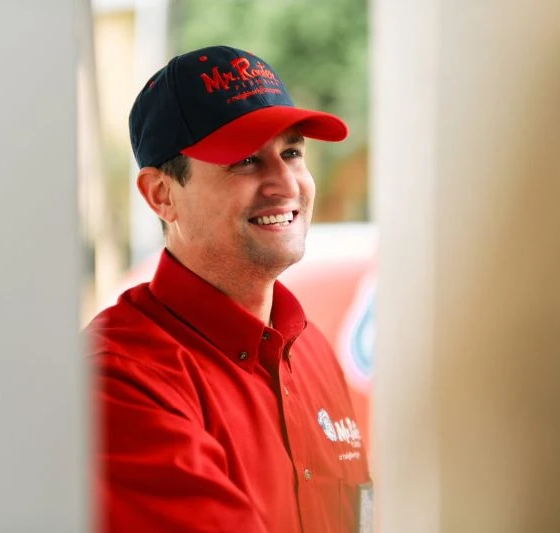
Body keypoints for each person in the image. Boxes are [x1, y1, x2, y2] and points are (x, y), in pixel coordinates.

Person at [85, 45, 372, 533]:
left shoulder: (311, 351)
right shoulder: (118, 382)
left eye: (292, 152)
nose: (285, 183)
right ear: (161, 195)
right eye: (244, 160)